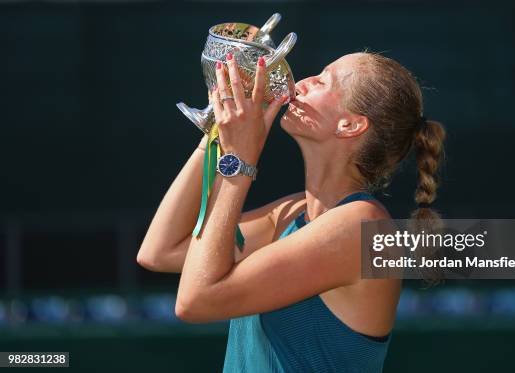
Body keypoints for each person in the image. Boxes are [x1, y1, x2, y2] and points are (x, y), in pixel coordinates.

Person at [137, 51, 446, 372]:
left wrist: (241, 159)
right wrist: (216, 130)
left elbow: (196, 301)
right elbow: (160, 251)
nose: (302, 82)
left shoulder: (361, 228)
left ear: (350, 124)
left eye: (324, 80)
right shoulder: (293, 212)